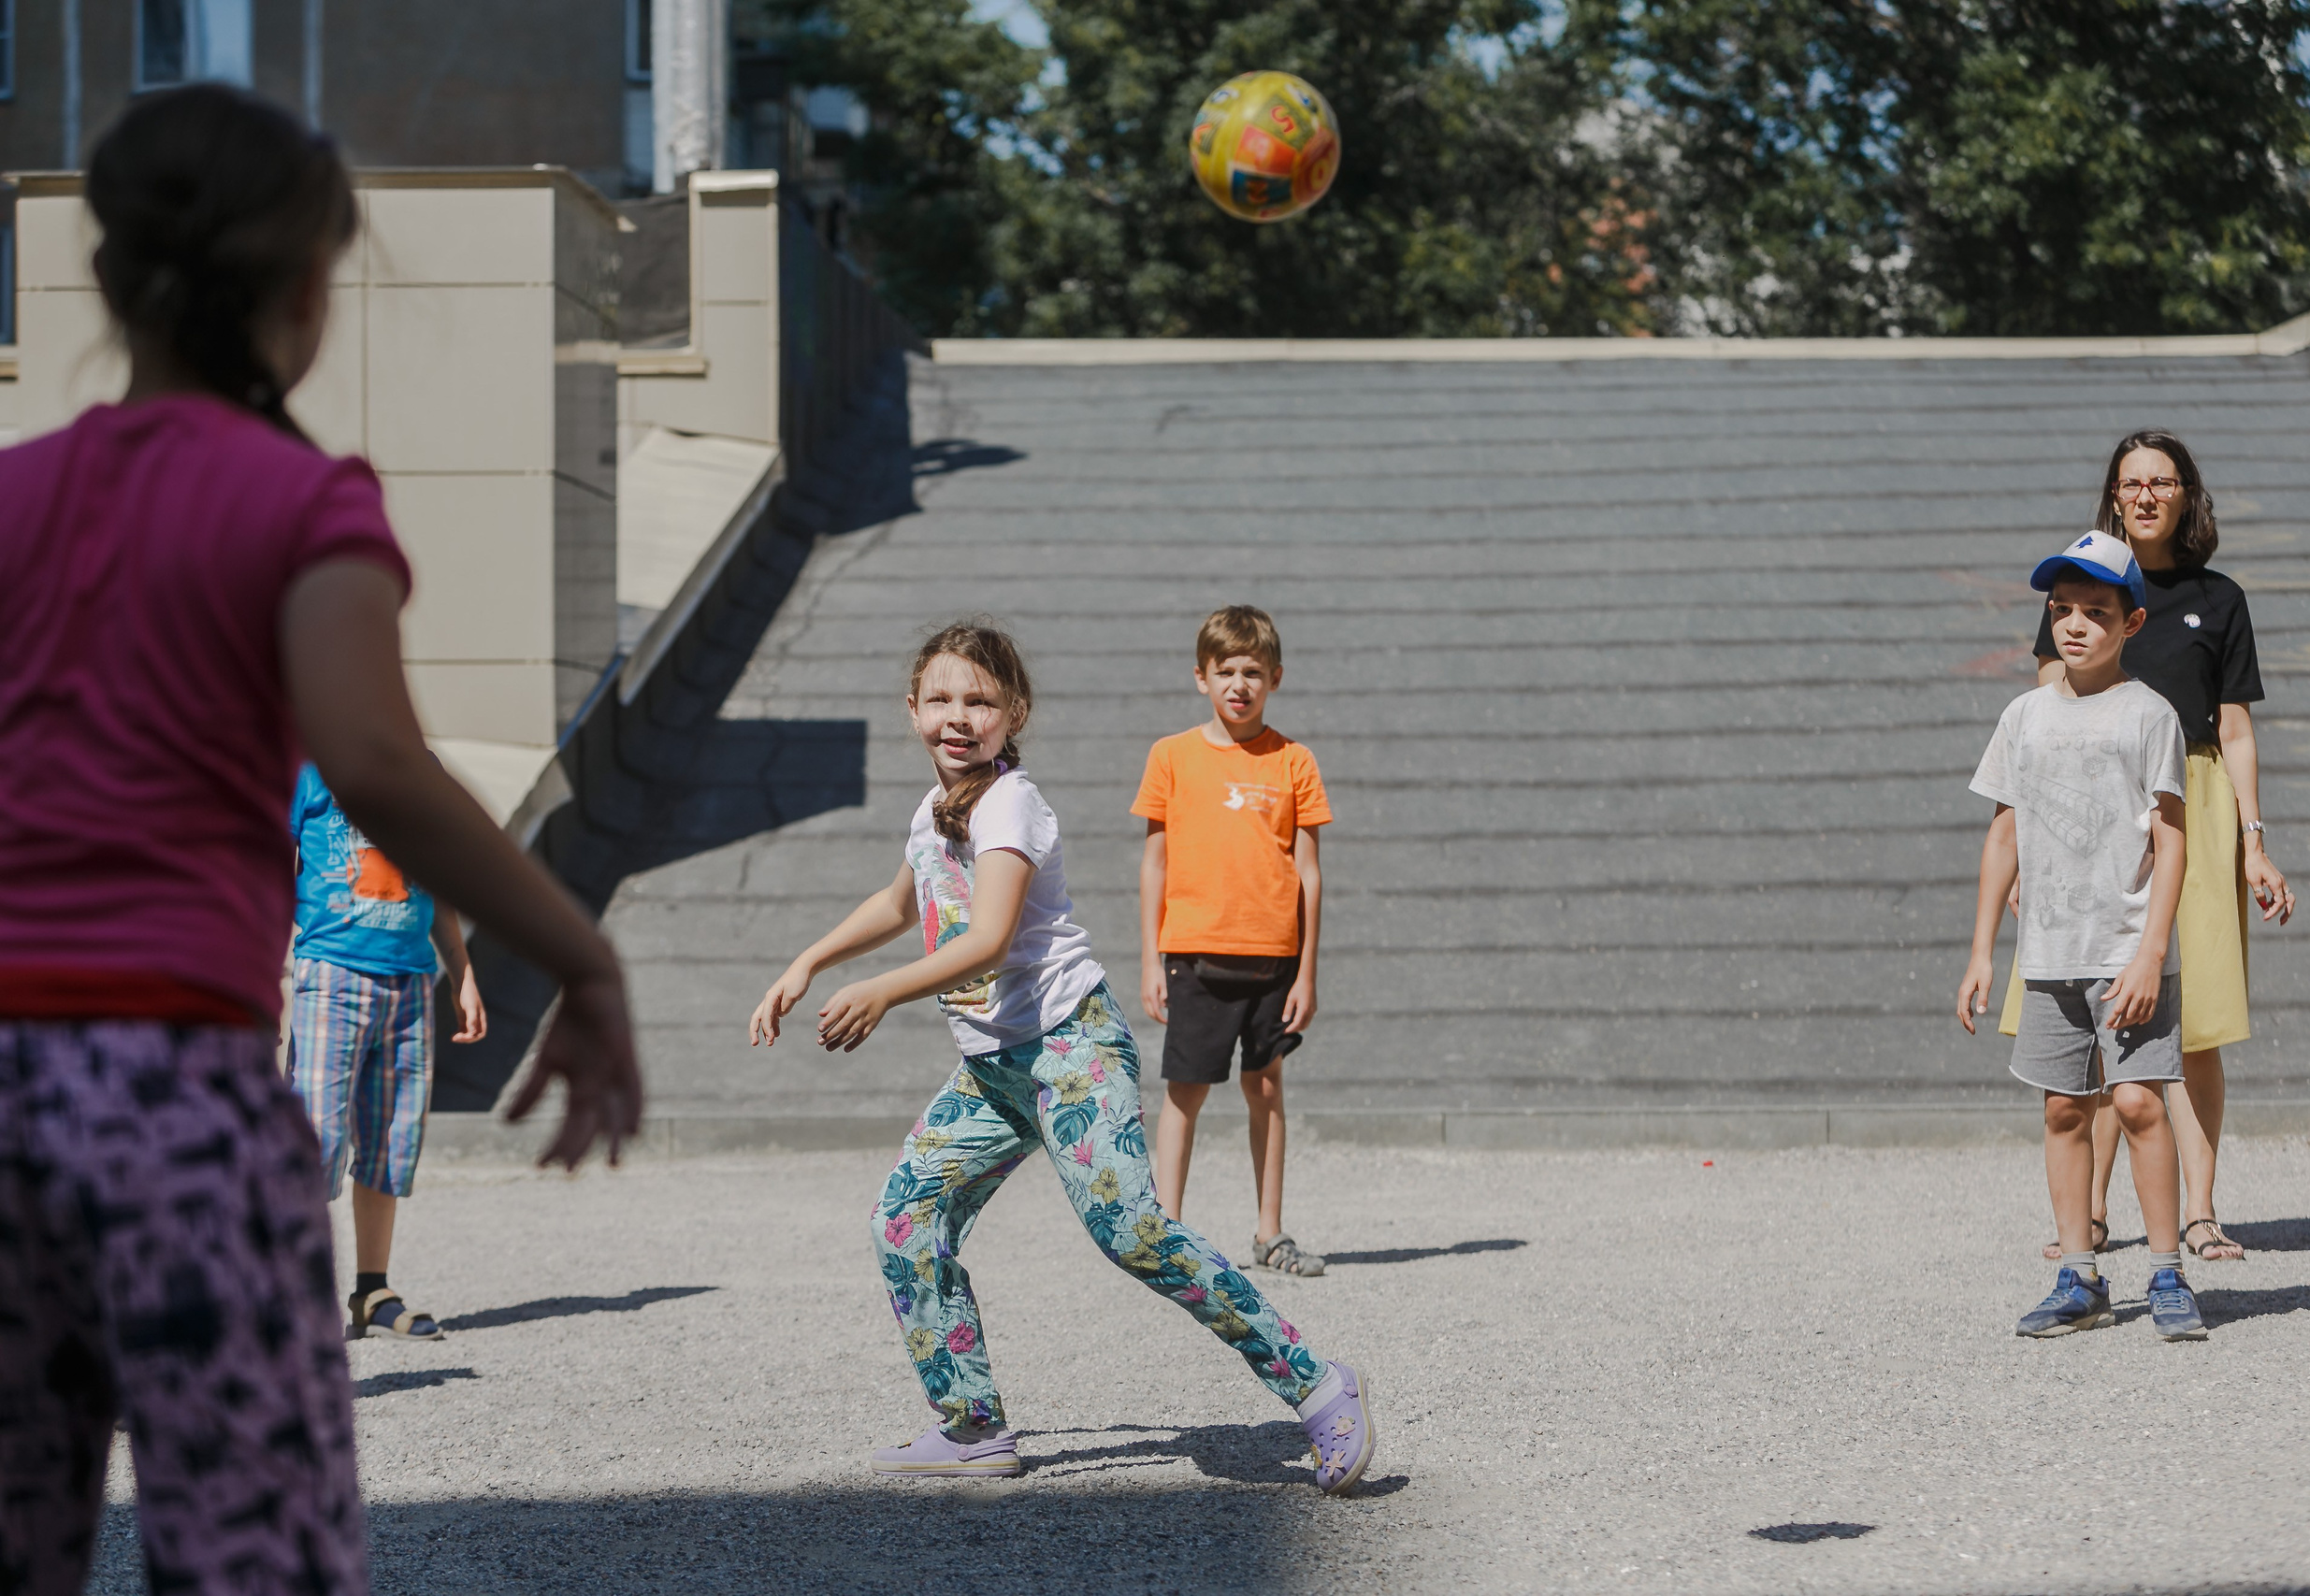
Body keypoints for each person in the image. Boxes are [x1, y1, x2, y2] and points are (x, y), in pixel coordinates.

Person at [0, 86, 640, 1596]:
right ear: (307, 291)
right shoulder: (299, 499)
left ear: (101, 278)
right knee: (251, 1552)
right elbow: (372, 761)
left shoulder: (13, 498)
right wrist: (581, 955)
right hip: (177, 1101)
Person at [749, 621, 1375, 1493]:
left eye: (979, 700)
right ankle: (971, 1425)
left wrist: (883, 991)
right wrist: (808, 961)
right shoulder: (935, 811)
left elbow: (992, 935)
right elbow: (902, 900)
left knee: (1132, 1231)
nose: (957, 717)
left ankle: (1316, 1383)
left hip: (1070, 1048)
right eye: (940, 699)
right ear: (913, 710)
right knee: (906, 1221)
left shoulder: (1010, 802)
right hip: (994, 1068)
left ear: (1015, 713)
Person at [2004, 431, 2293, 1265]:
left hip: (2192, 810)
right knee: (2094, 1017)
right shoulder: (2076, 590)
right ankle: (2089, 1216)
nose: (2144, 496)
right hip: (2088, 812)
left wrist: (2253, 843)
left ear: (2185, 495)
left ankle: (2200, 1214)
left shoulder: (2221, 596)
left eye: (2162, 482)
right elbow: (2041, 726)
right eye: (2130, 483)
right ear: (2113, 495)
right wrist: (2030, 846)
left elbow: (2234, 728)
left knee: (2191, 1024)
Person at [1959, 532, 2204, 1341]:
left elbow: (2172, 839)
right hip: (2052, 954)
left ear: (2132, 622)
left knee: (2137, 1102)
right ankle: (2079, 1275)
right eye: (2062, 610)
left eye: (2096, 613)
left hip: (2126, 951)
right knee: (2065, 1107)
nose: (2075, 625)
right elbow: (2004, 835)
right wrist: (1981, 951)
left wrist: (2152, 951)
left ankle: (2168, 1272)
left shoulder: (2150, 715)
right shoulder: (2023, 715)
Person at [1136, 606, 1333, 1277]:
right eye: (1226, 671)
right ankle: (1165, 1235)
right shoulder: (1171, 757)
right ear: (1201, 677)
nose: (1239, 684)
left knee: (1267, 1088)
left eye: (1253, 671)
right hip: (1195, 953)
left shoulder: (1295, 761)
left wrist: (1307, 972)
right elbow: (1154, 863)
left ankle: (1270, 1233)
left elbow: (1308, 872)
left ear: (1274, 678)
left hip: (1274, 958)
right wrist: (1151, 959)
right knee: (1184, 1091)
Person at [289, 762, 492, 1342]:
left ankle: (370, 1292)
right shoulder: (306, 772)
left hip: (409, 983)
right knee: (314, 1143)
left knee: (390, 1142)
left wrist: (463, 972)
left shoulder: (418, 772)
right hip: (330, 975)